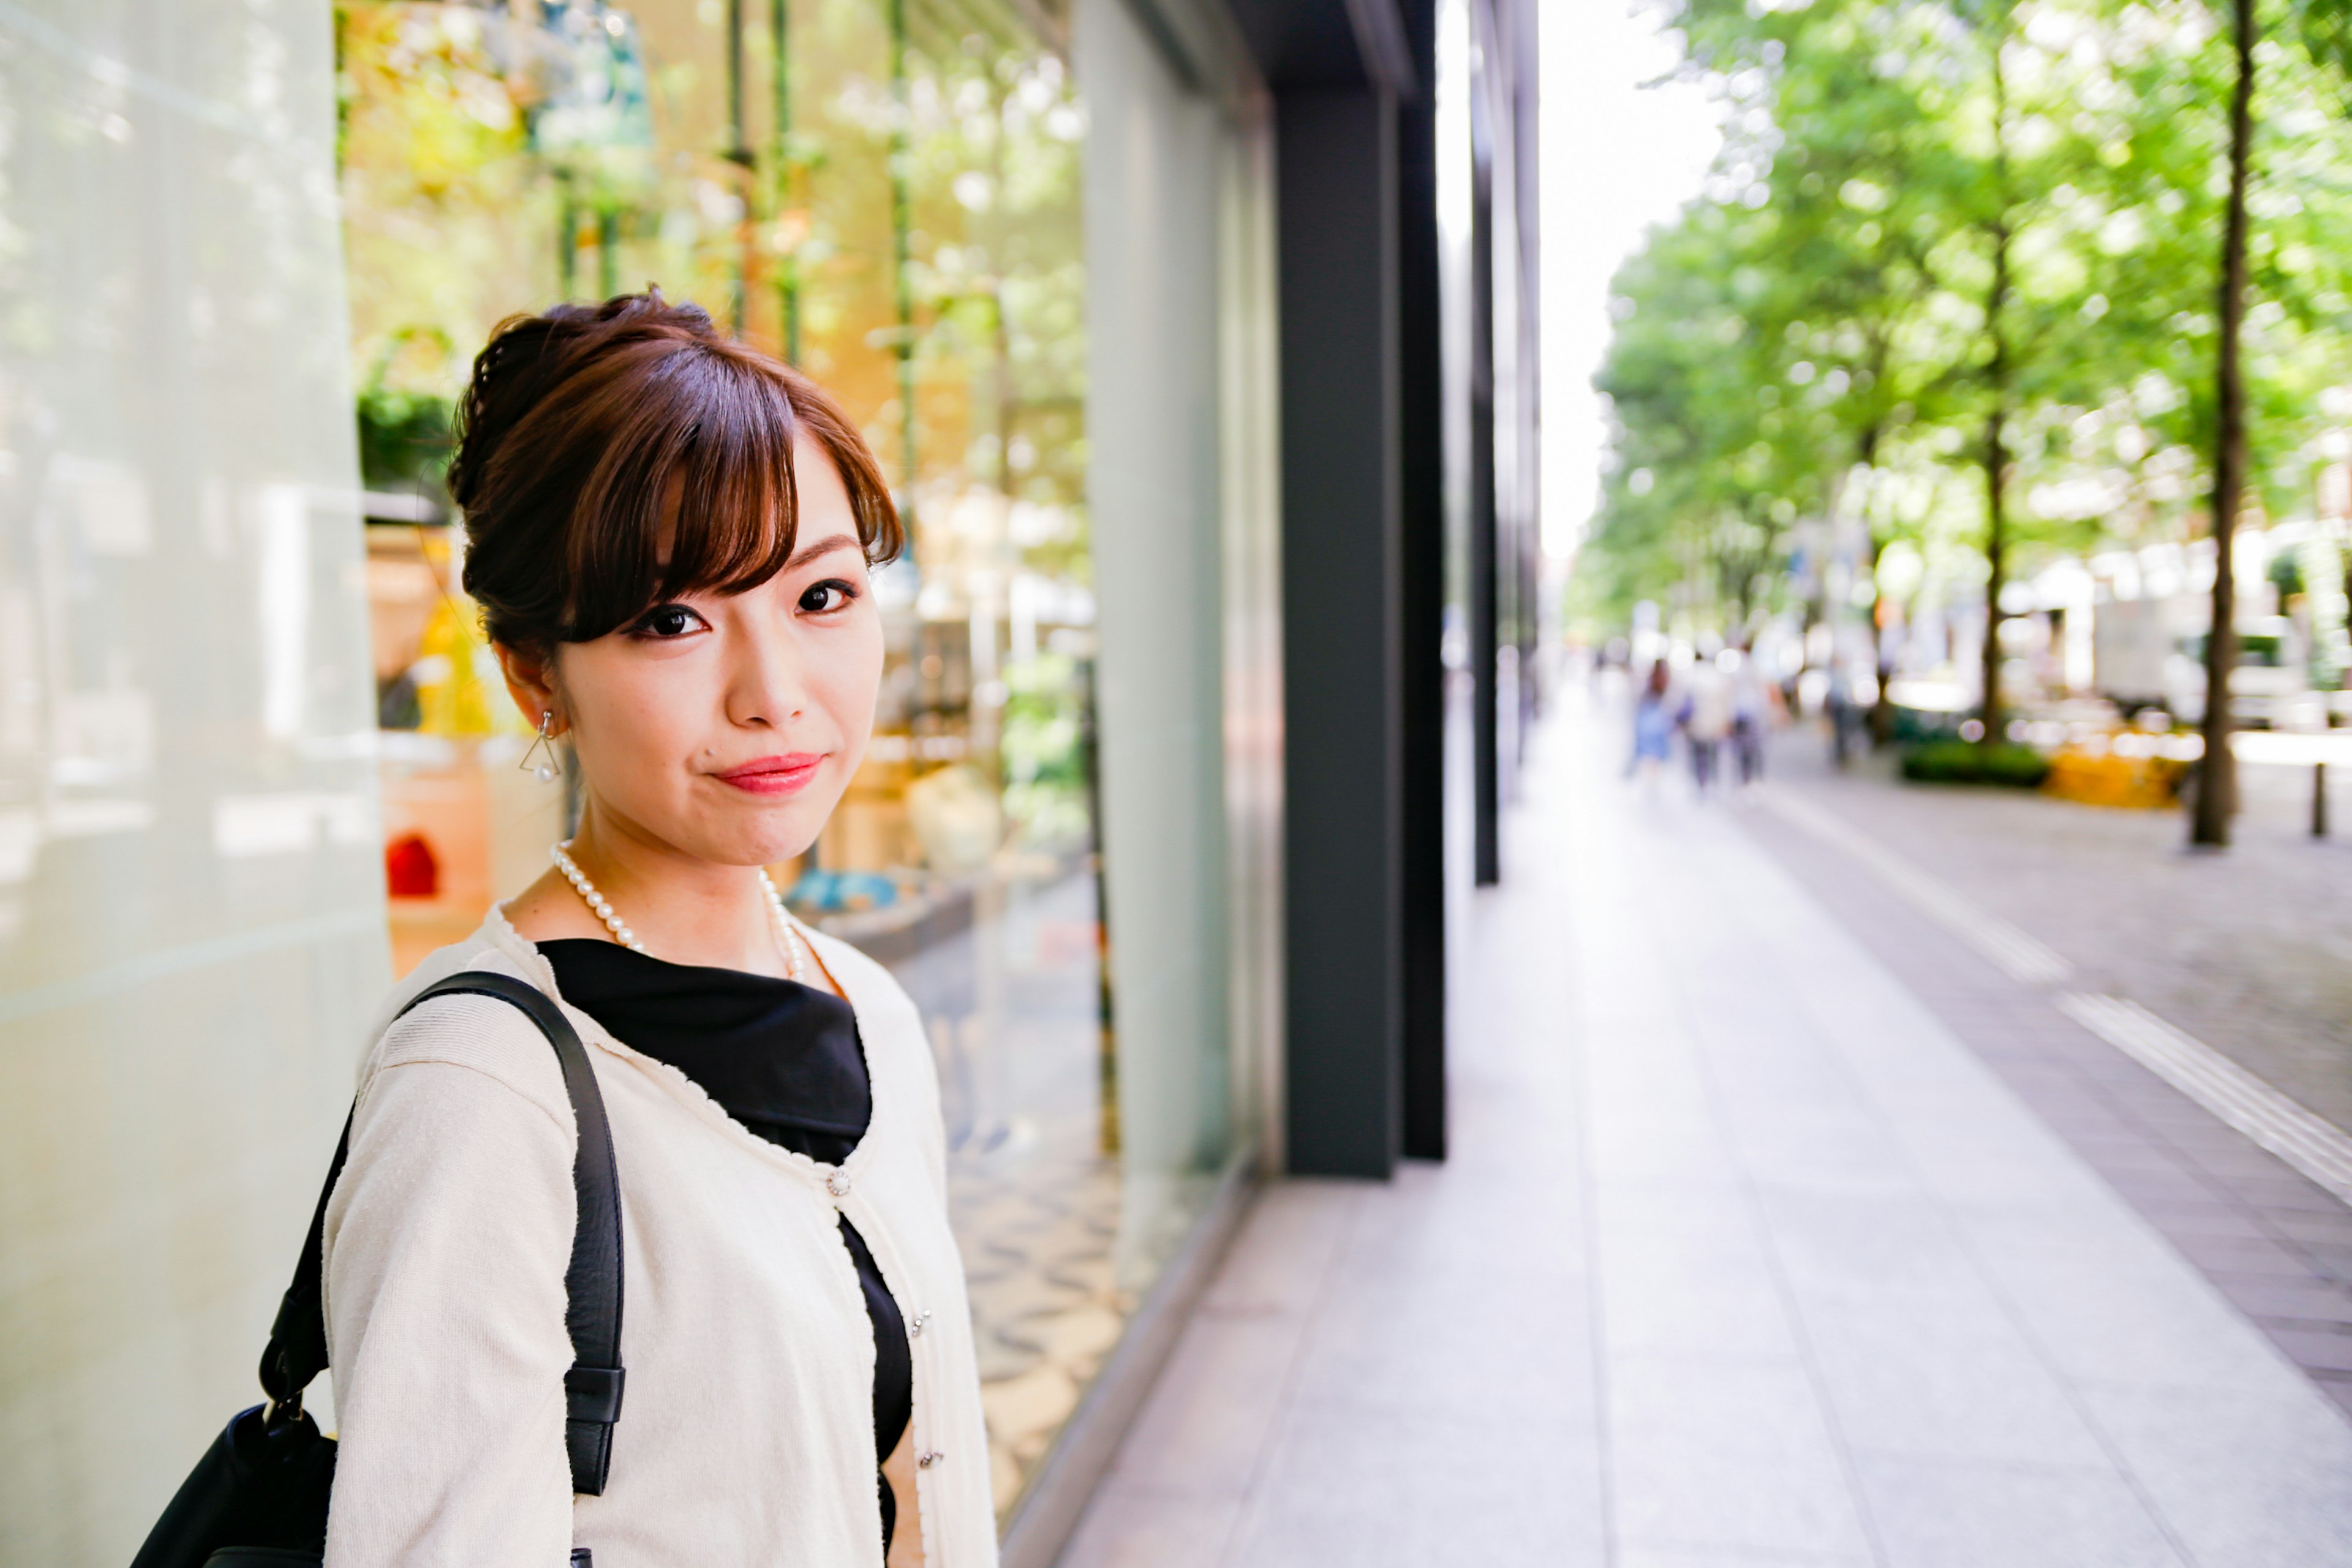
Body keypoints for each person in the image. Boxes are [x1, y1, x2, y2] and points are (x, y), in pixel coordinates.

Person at [320, 293, 995, 1567]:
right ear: (535, 675)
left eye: (824, 593)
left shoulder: (864, 1005)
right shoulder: (483, 1091)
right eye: (670, 619)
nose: (775, 694)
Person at [1678, 650, 1733, 794]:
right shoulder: (1719, 677)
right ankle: (1712, 782)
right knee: (1713, 754)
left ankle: (1700, 783)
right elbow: (1726, 702)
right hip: (1715, 723)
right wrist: (1726, 722)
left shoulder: (1691, 675)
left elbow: (1681, 702)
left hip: (1696, 723)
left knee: (1698, 755)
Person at [1629, 657, 1674, 790]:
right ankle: (1653, 778)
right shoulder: (1665, 680)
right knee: (1656, 752)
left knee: (1649, 751)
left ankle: (1650, 778)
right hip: (1658, 719)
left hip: (1650, 717)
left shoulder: (1652, 680)